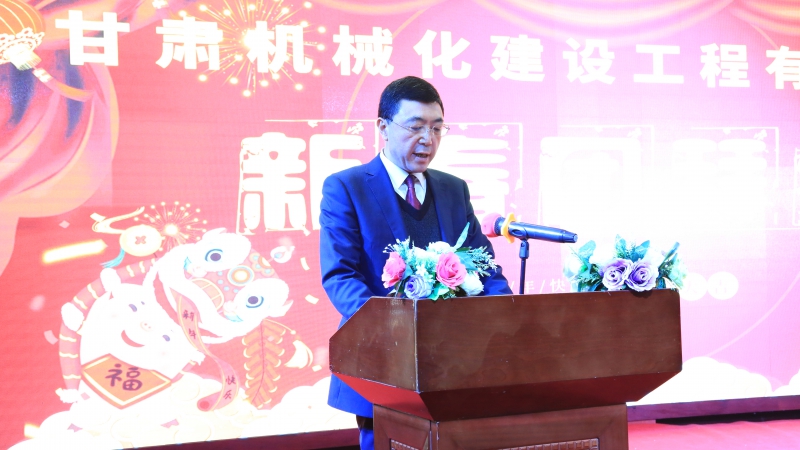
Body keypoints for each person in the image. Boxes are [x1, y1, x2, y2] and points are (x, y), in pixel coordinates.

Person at [319, 76, 512, 450]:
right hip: (383, 364)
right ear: (383, 128)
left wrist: (502, 315)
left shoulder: (453, 189)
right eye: (416, 127)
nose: (428, 139)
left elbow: (485, 266)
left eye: (437, 128)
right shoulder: (347, 188)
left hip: (457, 365)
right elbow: (341, 275)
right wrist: (398, 328)